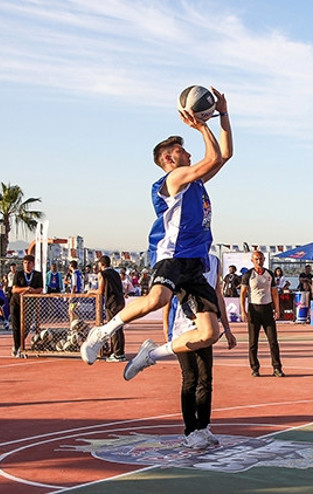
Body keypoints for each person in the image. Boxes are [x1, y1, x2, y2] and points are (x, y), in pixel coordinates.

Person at [79, 87, 233, 382]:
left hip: (194, 261)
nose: (187, 152)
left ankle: (151, 354)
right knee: (158, 298)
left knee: (209, 333)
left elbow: (224, 154)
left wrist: (223, 114)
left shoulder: (195, 182)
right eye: (180, 150)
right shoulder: (174, 178)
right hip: (172, 255)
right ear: (167, 158)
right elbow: (213, 157)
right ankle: (102, 332)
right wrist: (202, 126)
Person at [163, 253, 237, 450]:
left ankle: (203, 426)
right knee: (190, 378)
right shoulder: (181, 260)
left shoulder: (214, 262)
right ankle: (190, 431)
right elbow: (168, 297)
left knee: (205, 378)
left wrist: (227, 328)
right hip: (182, 329)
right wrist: (166, 328)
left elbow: (217, 294)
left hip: (205, 327)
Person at [240, 251, 283, 378]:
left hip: (267, 309)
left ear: (264, 260)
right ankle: (255, 368)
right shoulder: (248, 275)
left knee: (273, 341)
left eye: (261, 259)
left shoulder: (269, 274)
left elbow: (274, 292)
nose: (259, 261)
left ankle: (277, 368)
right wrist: (243, 311)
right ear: (252, 260)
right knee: (253, 342)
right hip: (254, 309)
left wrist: (277, 309)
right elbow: (243, 294)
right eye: (256, 259)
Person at [93, 255, 127, 362]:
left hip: (112, 303)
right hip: (120, 301)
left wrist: (90, 292)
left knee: (114, 328)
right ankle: (117, 351)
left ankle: (118, 354)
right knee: (118, 327)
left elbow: (100, 290)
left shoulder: (102, 274)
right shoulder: (116, 273)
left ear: (102, 264)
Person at [9, 255, 43, 358]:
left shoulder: (37, 275)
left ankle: (20, 345)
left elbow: (40, 289)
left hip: (29, 305)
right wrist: (26, 289)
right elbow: (14, 289)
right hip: (16, 303)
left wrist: (32, 291)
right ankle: (18, 347)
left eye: (29, 263)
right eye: (25, 263)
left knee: (26, 326)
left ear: (33, 264)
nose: (27, 265)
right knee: (16, 326)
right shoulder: (18, 274)